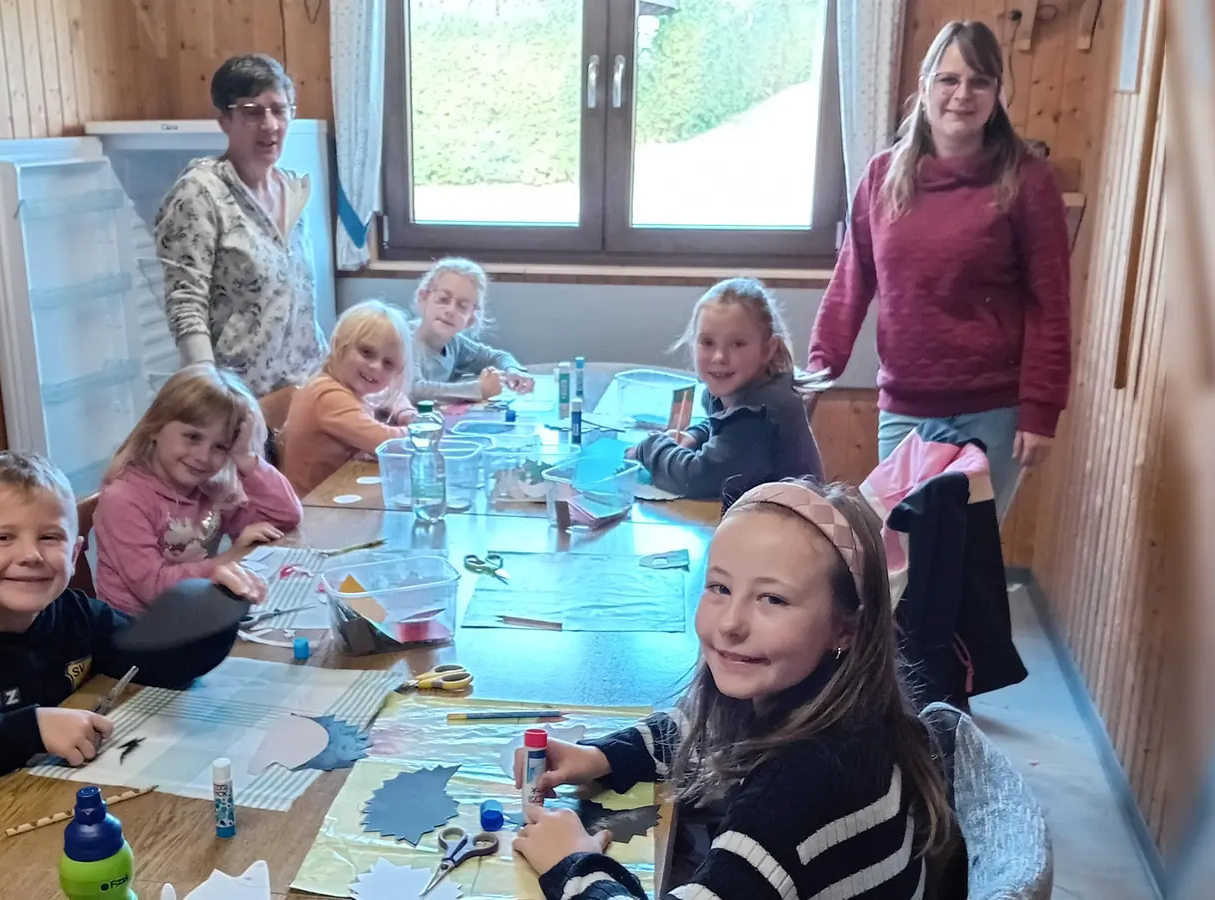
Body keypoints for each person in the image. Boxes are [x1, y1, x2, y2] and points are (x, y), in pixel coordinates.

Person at [510, 480, 959, 900]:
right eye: (720, 588)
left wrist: (570, 860)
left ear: (845, 627)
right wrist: (601, 757)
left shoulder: (804, 784)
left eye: (773, 599)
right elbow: (701, 731)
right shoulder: (828, 701)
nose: (730, 624)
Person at [0, 452, 259, 828]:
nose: (30, 555)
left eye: (49, 537)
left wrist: (220, 611)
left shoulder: (76, 616)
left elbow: (163, 663)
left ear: (75, 552)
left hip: (62, 813)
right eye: (3, 537)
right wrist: (28, 730)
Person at [807, 20, 1072, 520]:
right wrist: (820, 370)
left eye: (979, 81)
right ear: (925, 86)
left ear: (997, 93)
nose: (962, 95)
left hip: (994, 412)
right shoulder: (883, 177)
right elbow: (852, 280)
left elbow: (1050, 305)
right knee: (899, 561)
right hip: (905, 407)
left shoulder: (1027, 182)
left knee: (965, 568)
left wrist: (1042, 410)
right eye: (949, 79)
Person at [156, 54, 326, 435]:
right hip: (241, 404)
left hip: (302, 395)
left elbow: (299, 300)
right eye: (252, 112)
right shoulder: (200, 193)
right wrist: (215, 405)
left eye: (279, 111)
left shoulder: (293, 189)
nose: (270, 125)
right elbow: (186, 305)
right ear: (225, 122)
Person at [91, 363, 300, 615]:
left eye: (220, 447)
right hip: (137, 634)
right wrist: (228, 558)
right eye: (192, 437)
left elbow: (287, 517)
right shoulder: (123, 499)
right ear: (156, 426)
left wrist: (246, 458)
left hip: (193, 613)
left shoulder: (211, 487)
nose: (203, 456)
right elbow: (154, 587)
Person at [630, 278, 826, 500]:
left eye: (737, 344)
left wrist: (650, 447)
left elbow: (697, 478)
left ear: (768, 349)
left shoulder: (759, 414)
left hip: (794, 531)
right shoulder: (744, 390)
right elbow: (725, 425)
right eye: (707, 342)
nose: (719, 357)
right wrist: (696, 436)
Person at [279, 300, 417, 495]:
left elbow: (389, 395)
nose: (376, 366)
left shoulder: (339, 385)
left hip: (333, 496)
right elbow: (385, 443)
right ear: (339, 345)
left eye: (388, 363)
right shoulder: (328, 395)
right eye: (366, 352)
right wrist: (422, 431)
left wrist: (406, 412)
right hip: (314, 509)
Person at [406, 257, 533, 403]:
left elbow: (496, 357)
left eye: (462, 306)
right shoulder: (404, 339)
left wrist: (513, 370)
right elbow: (413, 390)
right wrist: (479, 389)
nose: (451, 310)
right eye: (443, 299)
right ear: (423, 298)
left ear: (471, 319)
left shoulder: (455, 344)